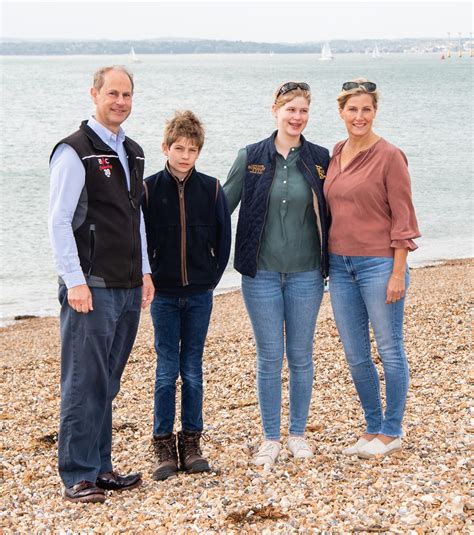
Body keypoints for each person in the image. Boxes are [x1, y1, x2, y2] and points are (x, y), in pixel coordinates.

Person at [48, 66, 155, 503]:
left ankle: (101, 467)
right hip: (90, 286)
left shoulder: (132, 150)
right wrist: (74, 281)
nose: (121, 101)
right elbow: (58, 221)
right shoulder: (74, 151)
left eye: (127, 94)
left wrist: (146, 271)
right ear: (94, 94)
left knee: (107, 381)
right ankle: (77, 474)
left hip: (128, 284)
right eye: (113, 93)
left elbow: (137, 218)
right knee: (83, 381)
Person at [224, 82, 330, 467]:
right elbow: (221, 206)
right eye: (290, 110)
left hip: (306, 274)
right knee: (269, 356)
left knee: (301, 357)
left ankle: (298, 434)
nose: (296, 117)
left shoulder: (320, 159)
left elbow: (342, 208)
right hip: (261, 274)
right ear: (275, 110)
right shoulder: (251, 156)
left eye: (303, 110)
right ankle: (270, 437)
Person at [324, 79, 421, 459]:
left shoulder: (390, 156)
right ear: (341, 112)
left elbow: (404, 219)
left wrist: (398, 273)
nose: (359, 116)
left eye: (366, 109)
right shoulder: (335, 153)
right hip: (339, 265)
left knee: (390, 349)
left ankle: (392, 430)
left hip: (380, 265)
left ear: (374, 112)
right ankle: (372, 426)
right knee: (355, 353)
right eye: (352, 109)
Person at [142, 111, 231, 481]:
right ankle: (163, 442)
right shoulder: (148, 189)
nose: (184, 156)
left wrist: (210, 278)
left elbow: (223, 239)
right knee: (166, 371)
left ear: (199, 153)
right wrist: (147, 277)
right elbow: (140, 242)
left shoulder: (210, 189)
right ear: (166, 147)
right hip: (162, 295)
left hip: (198, 294)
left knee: (192, 370)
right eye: (178, 148)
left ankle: (191, 441)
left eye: (192, 150)